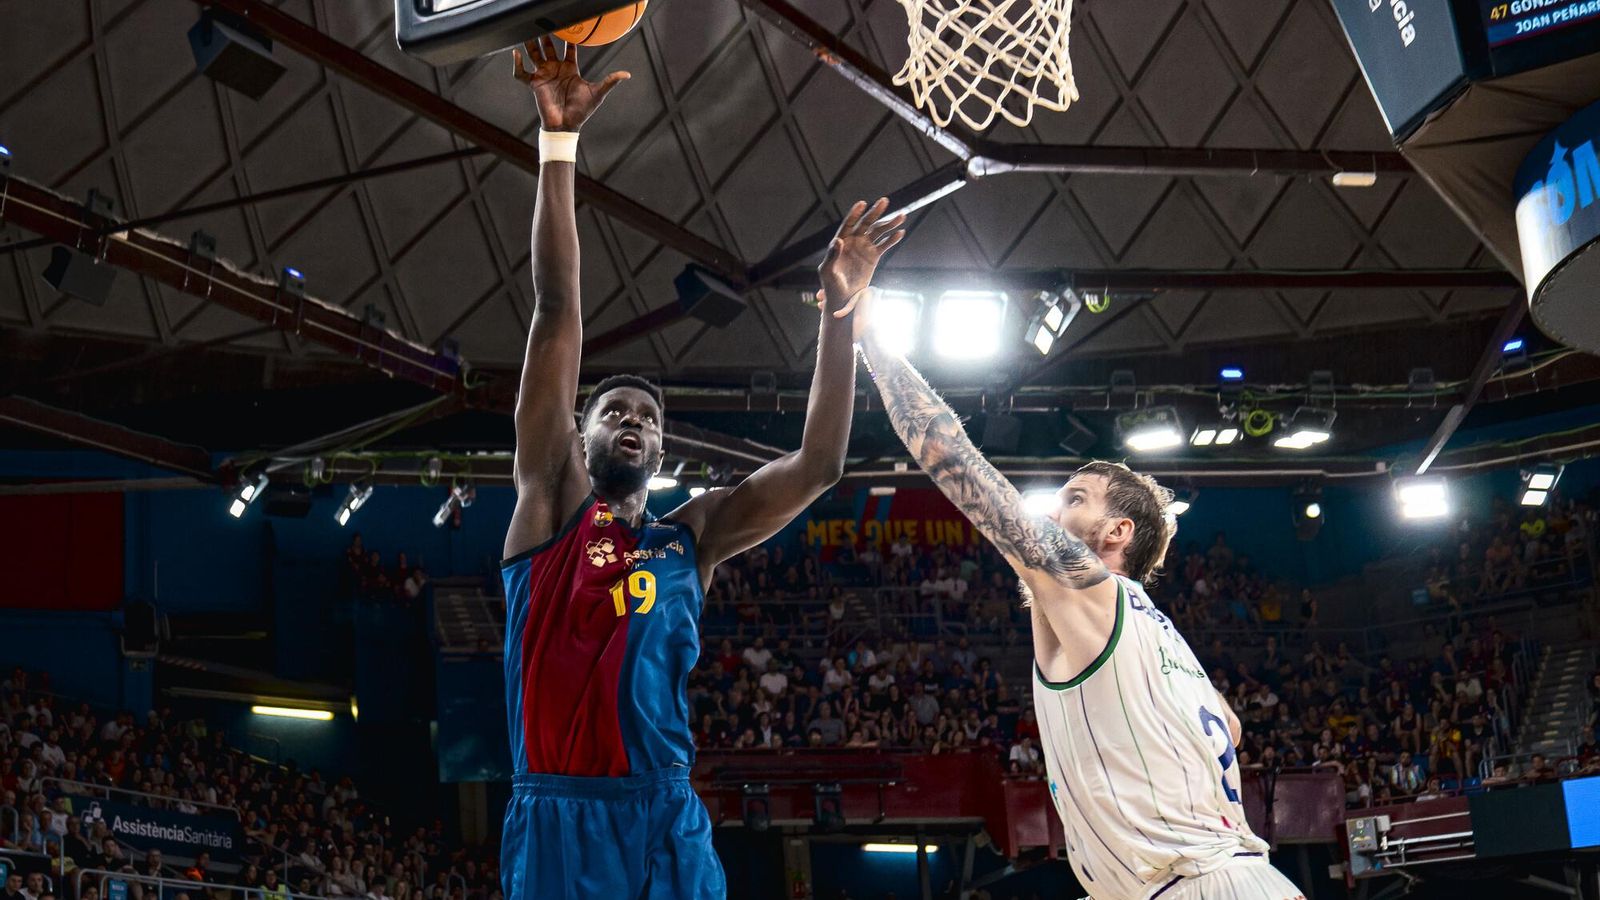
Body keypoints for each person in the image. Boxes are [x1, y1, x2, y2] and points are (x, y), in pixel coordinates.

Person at [496, 37, 903, 900]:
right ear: (580, 434)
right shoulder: (548, 509)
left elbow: (822, 464)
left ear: (664, 451)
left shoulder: (695, 536)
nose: (634, 421)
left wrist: (841, 310)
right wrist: (559, 148)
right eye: (616, 412)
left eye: (649, 416)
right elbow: (558, 308)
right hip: (561, 816)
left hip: (665, 815)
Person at [846, 285, 1292, 900]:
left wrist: (869, 335)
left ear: (1117, 532)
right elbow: (1232, 729)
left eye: (1074, 500)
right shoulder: (1167, 644)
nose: (1052, 515)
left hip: (1199, 886)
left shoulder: (1094, 588)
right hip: (1223, 879)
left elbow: (947, 452)